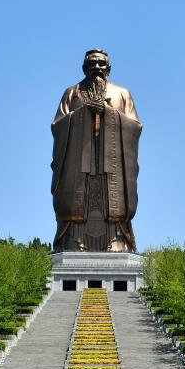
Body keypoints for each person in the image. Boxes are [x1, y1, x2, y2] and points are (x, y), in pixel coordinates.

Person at [51, 49, 142, 252]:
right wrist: (83, 114)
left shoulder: (122, 93)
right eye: (92, 64)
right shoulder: (72, 93)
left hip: (112, 165)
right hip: (79, 164)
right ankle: (74, 241)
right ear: (84, 68)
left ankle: (117, 241)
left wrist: (109, 113)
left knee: (113, 201)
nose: (97, 68)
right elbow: (58, 125)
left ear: (108, 68)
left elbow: (135, 127)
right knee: (77, 200)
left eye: (101, 64)